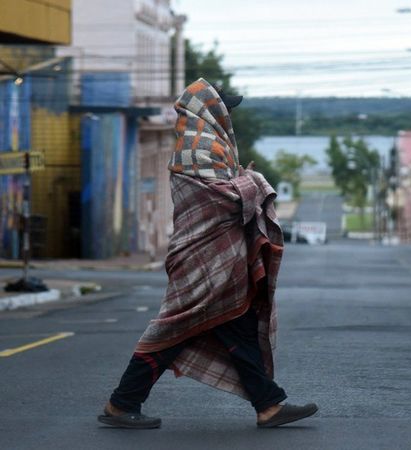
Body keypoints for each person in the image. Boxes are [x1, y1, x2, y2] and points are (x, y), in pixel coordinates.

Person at [97, 78, 317, 429]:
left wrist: (242, 178)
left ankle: (268, 404)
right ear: (209, 109)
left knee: (237, 325)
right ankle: (121, 403)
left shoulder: (211, 146)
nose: (229, 113)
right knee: (176, 329)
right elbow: (219, 199)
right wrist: (253, 181)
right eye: (224, 107)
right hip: (201, 257)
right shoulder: (195, 147)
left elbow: (225, 190)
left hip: (219, 258)